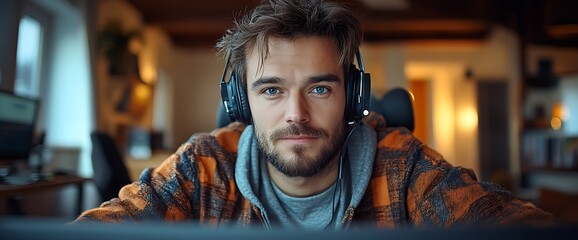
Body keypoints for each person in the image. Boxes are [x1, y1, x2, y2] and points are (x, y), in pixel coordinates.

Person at [74, 0, 555, 229]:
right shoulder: (202, 168)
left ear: (353, 96)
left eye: (320, 88)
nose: (296, 114)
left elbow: (502, 222)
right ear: (242, 104)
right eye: (271, 90)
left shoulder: (404, 167)